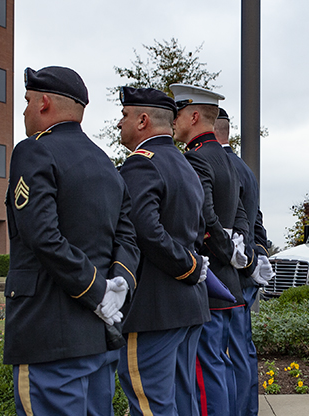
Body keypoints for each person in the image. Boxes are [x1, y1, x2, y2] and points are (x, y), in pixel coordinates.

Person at [4, 66, 140, 416]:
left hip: (49, 333)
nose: (24, 111)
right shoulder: (107, 163)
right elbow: (128, 236)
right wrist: (118, 284)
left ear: (44, 102)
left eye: (28, 101)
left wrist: (96, 292)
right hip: (99, 336)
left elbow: (42, 235)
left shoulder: (34, 152)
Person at [115, 86, 211, 416]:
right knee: (182, 401)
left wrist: (187, 265)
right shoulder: (185, 164)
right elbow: (197, 231)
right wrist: (191, 267)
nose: (119, 124)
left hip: (155, 308)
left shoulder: (141, 165)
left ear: (143, 120)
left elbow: (145, 230)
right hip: (187, 305)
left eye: (125, 116)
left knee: (150, 402)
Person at [171, 84, 248, 416]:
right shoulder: (226, 158)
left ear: (194, 115)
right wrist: (238, 248)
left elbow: (204, 217)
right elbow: (241, 212)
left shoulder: (197, 158)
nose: (173, 121)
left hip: (210, 279)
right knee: (220, 364)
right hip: (227, 278)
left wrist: (225, 248)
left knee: (207, 371)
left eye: (176, 114)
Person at [214, 108, 274, 416]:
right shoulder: (243, 169)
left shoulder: (220, 166)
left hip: (230, 274)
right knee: (242, 351)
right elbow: (256, 219)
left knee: (229, 353)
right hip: (245, 272)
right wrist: (259, 252)